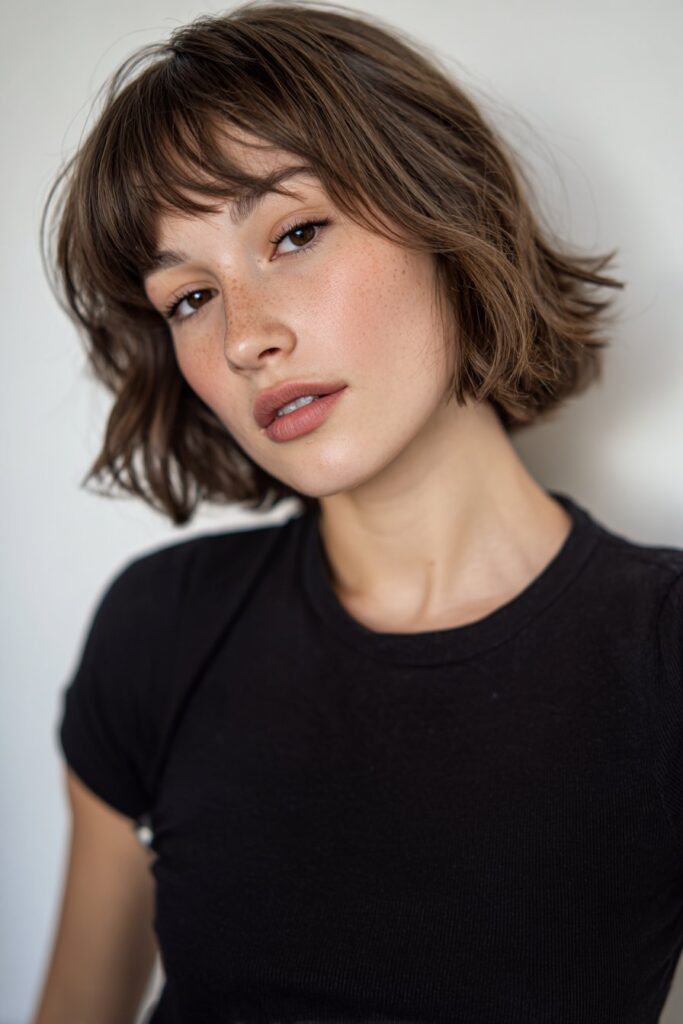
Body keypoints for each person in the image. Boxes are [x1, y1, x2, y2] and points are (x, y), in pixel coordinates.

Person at [33, 2, 683, 1022]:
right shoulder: (161, 628)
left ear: (444, 211)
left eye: (293, 234)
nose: (244, 337)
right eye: (190, 298)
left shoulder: (661, 656)